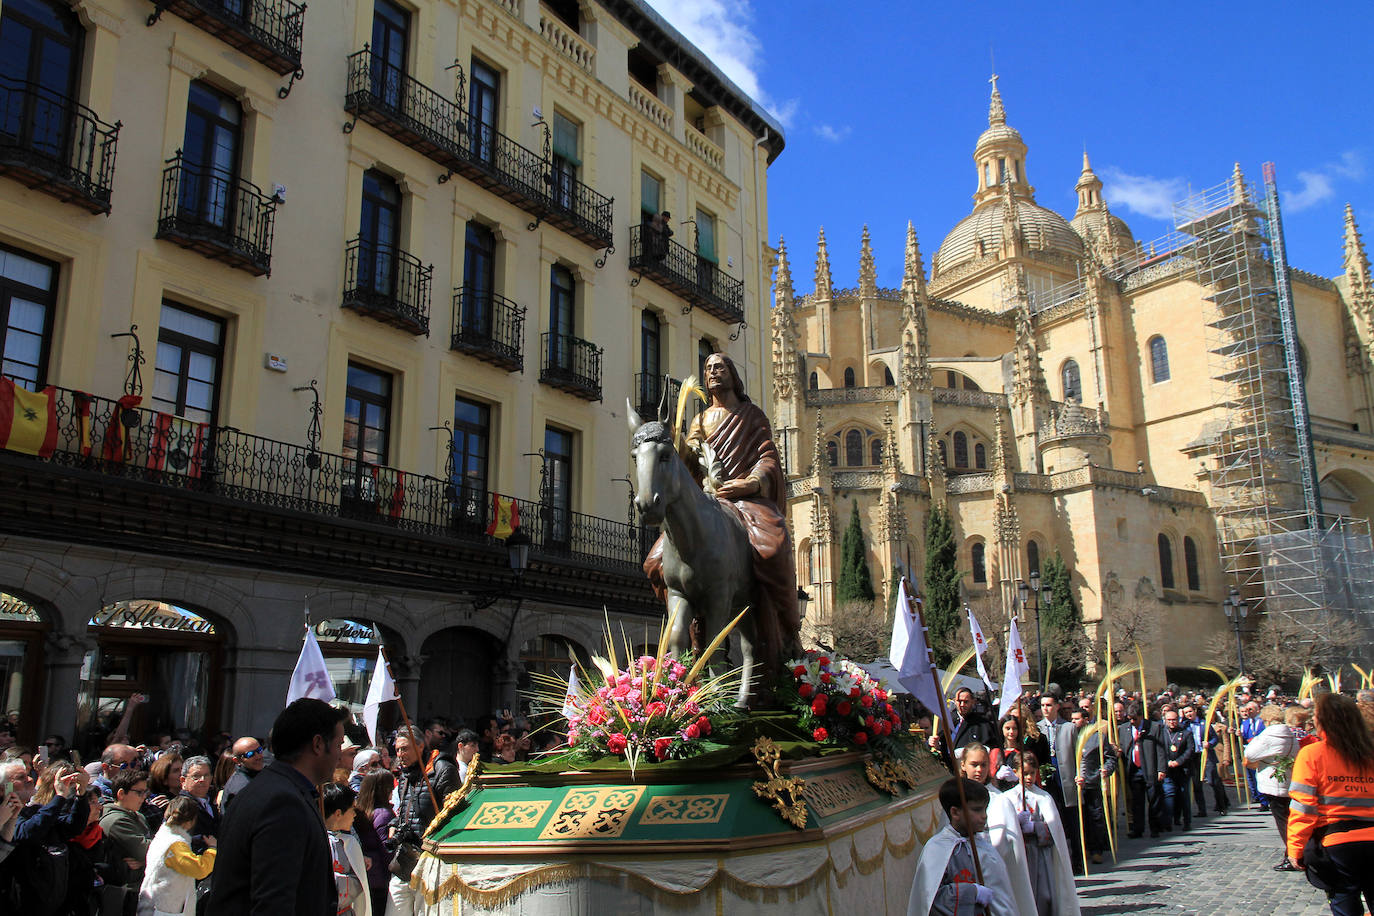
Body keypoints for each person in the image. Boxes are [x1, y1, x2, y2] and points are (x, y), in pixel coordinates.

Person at [642, 352, 801, 684]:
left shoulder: (751, 416)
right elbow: (686, 466)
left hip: (745, 500)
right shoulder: (699, 422)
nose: (713, 372)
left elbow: (768, 456)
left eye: (720, 367)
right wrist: (675, 445)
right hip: (709, 500)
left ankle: (789, 622)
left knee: (773, 545)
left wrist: (753, 481)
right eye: (708, 369)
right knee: (656, 562)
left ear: (732, 375)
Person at [207, 697, 345, 915]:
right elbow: (273, 903)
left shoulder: (271, 789)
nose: (340, 755)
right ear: (318, 744)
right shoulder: (283, 803)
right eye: (339, 745)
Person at [1287, 692, 1374, 915]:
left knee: (1345, 902)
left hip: (1338, 843)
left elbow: (1303, 807)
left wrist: (1295, 848)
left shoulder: (1313, 754)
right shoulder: (1369, 752)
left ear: (1323, 720)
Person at [907, 777, 1017, 916]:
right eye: (977, 810)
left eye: (984, 809)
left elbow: (1002, 901)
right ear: (955, 812)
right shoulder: (937, 849)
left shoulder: (984, 847)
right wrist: (971, 893)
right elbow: (930, 900)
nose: (984, 816)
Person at [959, 743, 1037, 916]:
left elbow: (1005, 844)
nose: (979, 770)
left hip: (992, 876)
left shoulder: (999, 800)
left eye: (984, 764)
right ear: (963, 765)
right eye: (974, 764)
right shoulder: (955, 799)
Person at [387, 724, 457, 915]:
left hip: (430, 858)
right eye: (397, 750)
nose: (400, 754)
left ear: (420, 746)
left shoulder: (442, 768)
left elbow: (454, 814)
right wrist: (394, 825)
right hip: (404, 858)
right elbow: (403, 809)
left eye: (405, 749)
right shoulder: (404, 774)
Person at [1004, 751, 1080, 916]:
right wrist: (1015, 822)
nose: (1029, 777)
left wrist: (1034, 827)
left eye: (1032, 773)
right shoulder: (1007, 798)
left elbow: (1055, 831)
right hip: (1020, 854)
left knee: (1044, 894)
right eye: (1025, 773)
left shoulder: (1044, 798)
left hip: (1041, 855)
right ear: (1015, 772)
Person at [1245, 704, 1304, 871]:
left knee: (1283, 821)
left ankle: (1292, 855)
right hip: (1289, 780)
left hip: (1273, 782)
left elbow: (1250, 754)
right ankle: (1294, 852)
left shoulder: (1268, 735)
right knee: (1289, 818)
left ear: (1267, 720)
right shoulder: (1289, 734)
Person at [139, 796, 216, 916]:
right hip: (165, 909)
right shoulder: (175, 844)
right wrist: (212, 849)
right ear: (190, 822)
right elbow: (199, 869)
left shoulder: (162, 837)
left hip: (154, 904)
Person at [100, 768, 153, 908]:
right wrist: (148, 857)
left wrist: (142, 862)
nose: (144, 797)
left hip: (143, 888)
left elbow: (152, 849)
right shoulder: (115, 821)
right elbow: (148, 851)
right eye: (139, 792)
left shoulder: (138, 816)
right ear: (121, 794)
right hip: (125, 894)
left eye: (145, 792)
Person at [1070, 707, 1116, 865]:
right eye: (1072, 719)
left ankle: (1097, 849)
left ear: (1086, 720)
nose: (1074, 722)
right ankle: (1084, 848)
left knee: (1095, 817)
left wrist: (1106, 769)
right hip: (1075, 785)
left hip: (1092, 783)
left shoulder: (1098, 738)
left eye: (1077, 719)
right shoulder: (1070, 736)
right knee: (1079, 818)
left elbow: (1111, 758)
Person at [322, 782, 371, 916]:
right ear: (338, 814)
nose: (355, 815)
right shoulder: (317, 842)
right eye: (352, 809)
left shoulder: (349, 843)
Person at [1120, 703, 1165, 838]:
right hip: (1133, 769)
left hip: (1150, 768)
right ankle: (1138, 828)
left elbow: (1161, 750)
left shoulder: (1154, 728)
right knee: (1136, 801)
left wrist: (1161, 769)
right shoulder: (1124, 729)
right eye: (1130, 719)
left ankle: (1155, 827)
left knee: (1153, 799)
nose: (1132, 722)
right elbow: (1123, 747)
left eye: (1135, 719)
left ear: (1141, 716)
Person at [354, 770, 395, 916]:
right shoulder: (383, 814)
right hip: (380, 880)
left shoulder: (360, 811)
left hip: (367, 877)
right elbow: (387, 849)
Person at [1160, 707, 1194, 831]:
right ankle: (1168, 821)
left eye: (1174, 720)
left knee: (1184, 796)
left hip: (1182, 770)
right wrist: (1166, 762)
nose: (1172, 722)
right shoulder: (1161, 733)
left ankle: (1187, 822)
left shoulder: (1186, 733)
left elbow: (1189, 750)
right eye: (1169, 720)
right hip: (1168, 770)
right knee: (1168, 795)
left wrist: (1178, 762)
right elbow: (1160, 750)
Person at [178, 755, 220, 854]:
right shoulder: (181, 806)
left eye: (206, 775)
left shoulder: (210, 803)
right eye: (196, 776)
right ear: (183, 780)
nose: (202, 779)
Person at [217, 737, 266, 813]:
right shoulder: (239, 788)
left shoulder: (260, 775)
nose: (258, 756)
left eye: (259, 750)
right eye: (250, 754)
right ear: (237, 760)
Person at [145, 753, 184, 833]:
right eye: (176, 771)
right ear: (164, 779)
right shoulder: (160, 803)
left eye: (183, 769)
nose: (182, 773)